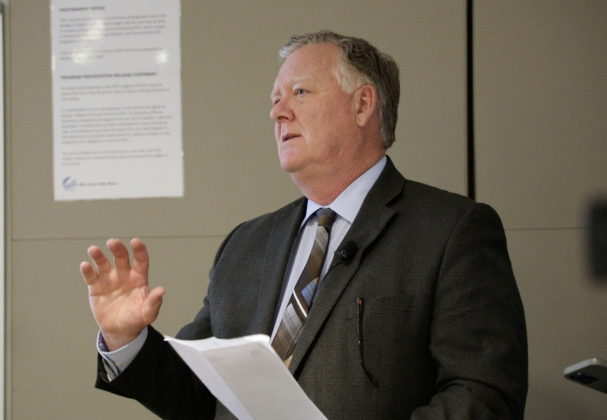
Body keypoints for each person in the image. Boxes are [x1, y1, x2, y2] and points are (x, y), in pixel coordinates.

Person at [80, 30, 528, 419]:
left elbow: (484, 396)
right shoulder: (245, 245)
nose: (278, 113)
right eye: (274, 101)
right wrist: (127, 337)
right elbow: (199, 398)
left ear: (362, 105)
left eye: (299, 93)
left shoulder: (452, 230)